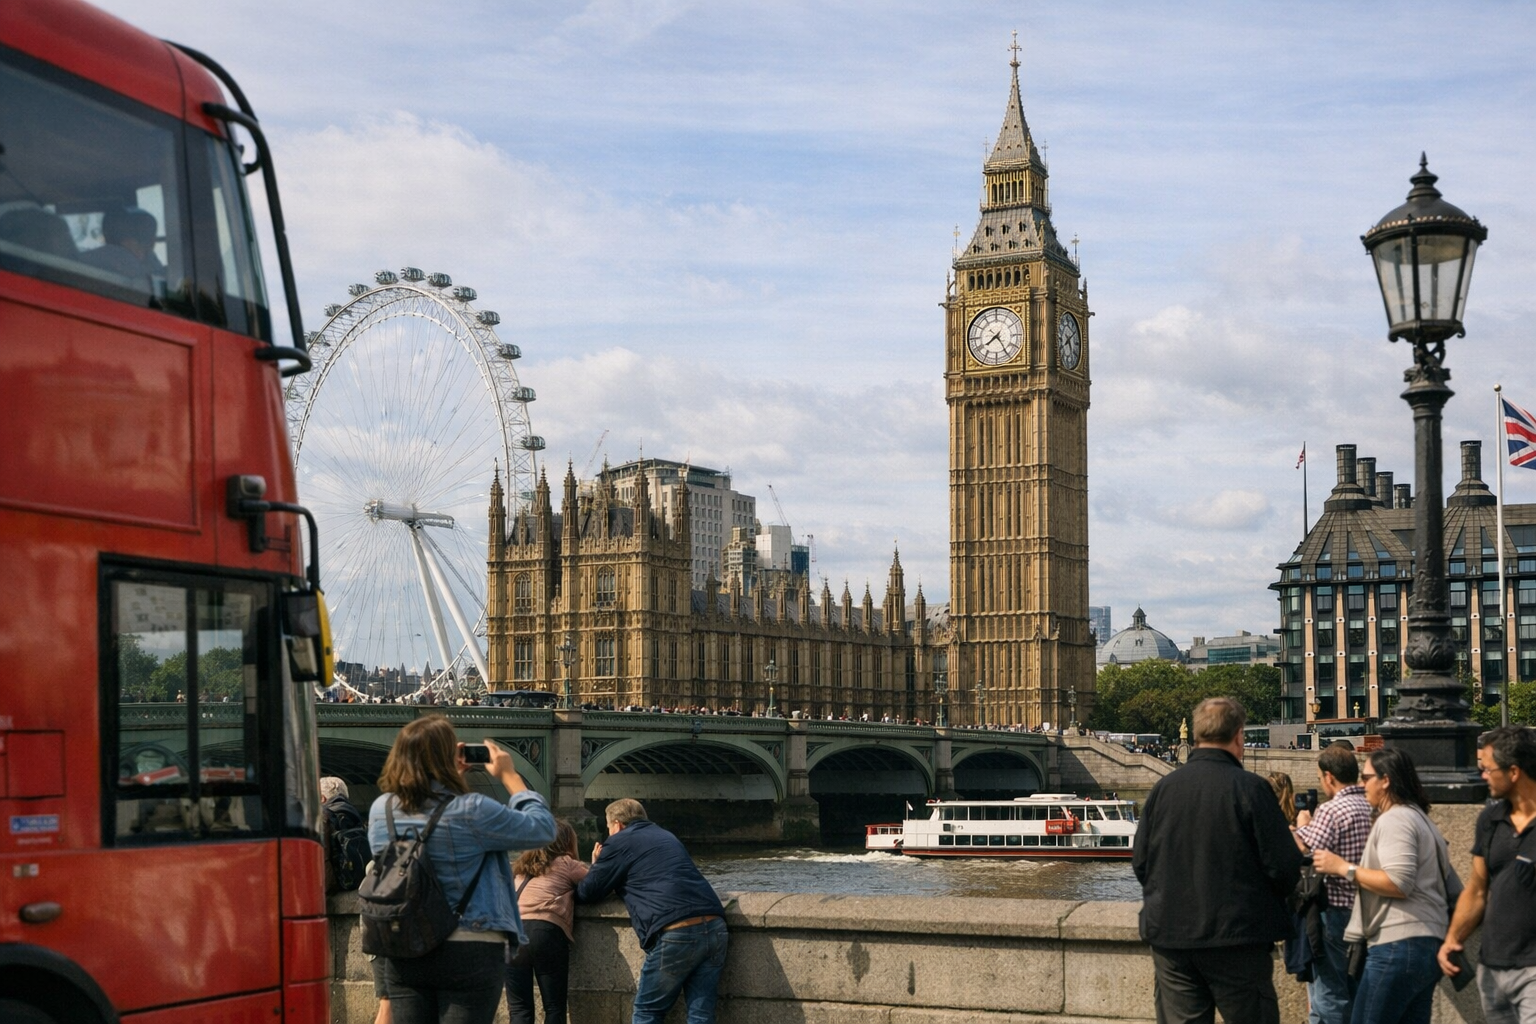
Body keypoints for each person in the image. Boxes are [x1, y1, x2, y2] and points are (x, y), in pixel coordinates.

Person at [367, 715, 555, 1024]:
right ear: (446, 757)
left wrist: (445, 781)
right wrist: (510, 776)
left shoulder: (381, 810)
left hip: (405, 943)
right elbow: (542, 829)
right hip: (470, 944)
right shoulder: (472, 808)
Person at [1132, 696, 1302, 1024]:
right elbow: (1284, 867)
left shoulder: (1162, 789)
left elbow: (1141, 863)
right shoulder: (1252, 789)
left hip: (1172, 940)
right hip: (1237, 939)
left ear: (1195, 735)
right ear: (1239, 736)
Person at [1312, 747, 1454, 1024]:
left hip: (1396, 945)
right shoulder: (1423, 820)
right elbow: (1454, 887)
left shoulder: (1395, 819)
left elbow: (1398, 882)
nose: (1361, 785)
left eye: (1366, 778)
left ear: (1386, 780)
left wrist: (1341, 867)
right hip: (1428, 944)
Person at [577, 798, 728, 1024]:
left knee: (647, 1012)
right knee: (701, 1014)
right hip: (715, 926)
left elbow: (588, 893)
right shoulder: (667, 836)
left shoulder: (618, 842)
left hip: (676, 931)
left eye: (608, 829)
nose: (609, 834)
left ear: (616, 825)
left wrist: (597, 865)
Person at [1438, 725, 1536, 1023]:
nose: (1482, 776)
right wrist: (1453, 938)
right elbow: (1477, 889)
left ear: (1514, 772)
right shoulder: (1490, 820)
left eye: (1488, 769)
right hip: (1491, 969)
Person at [1294, 742, 1374, 1024]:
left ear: (1329, 777)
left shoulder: (1332, 810)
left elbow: (1306, 849)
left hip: (1335, 910)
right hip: (1366, 909)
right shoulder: (1370, 806)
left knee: (1329, 991)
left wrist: (1301, 825)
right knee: (1356, 988)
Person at [506, 819, 588, 1024]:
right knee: (554, 1008)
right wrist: (598, 861)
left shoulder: (521, 867)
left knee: (519, 1010)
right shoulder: (567, 864)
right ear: (567, 842)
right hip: (544, 932)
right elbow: (597, 882)